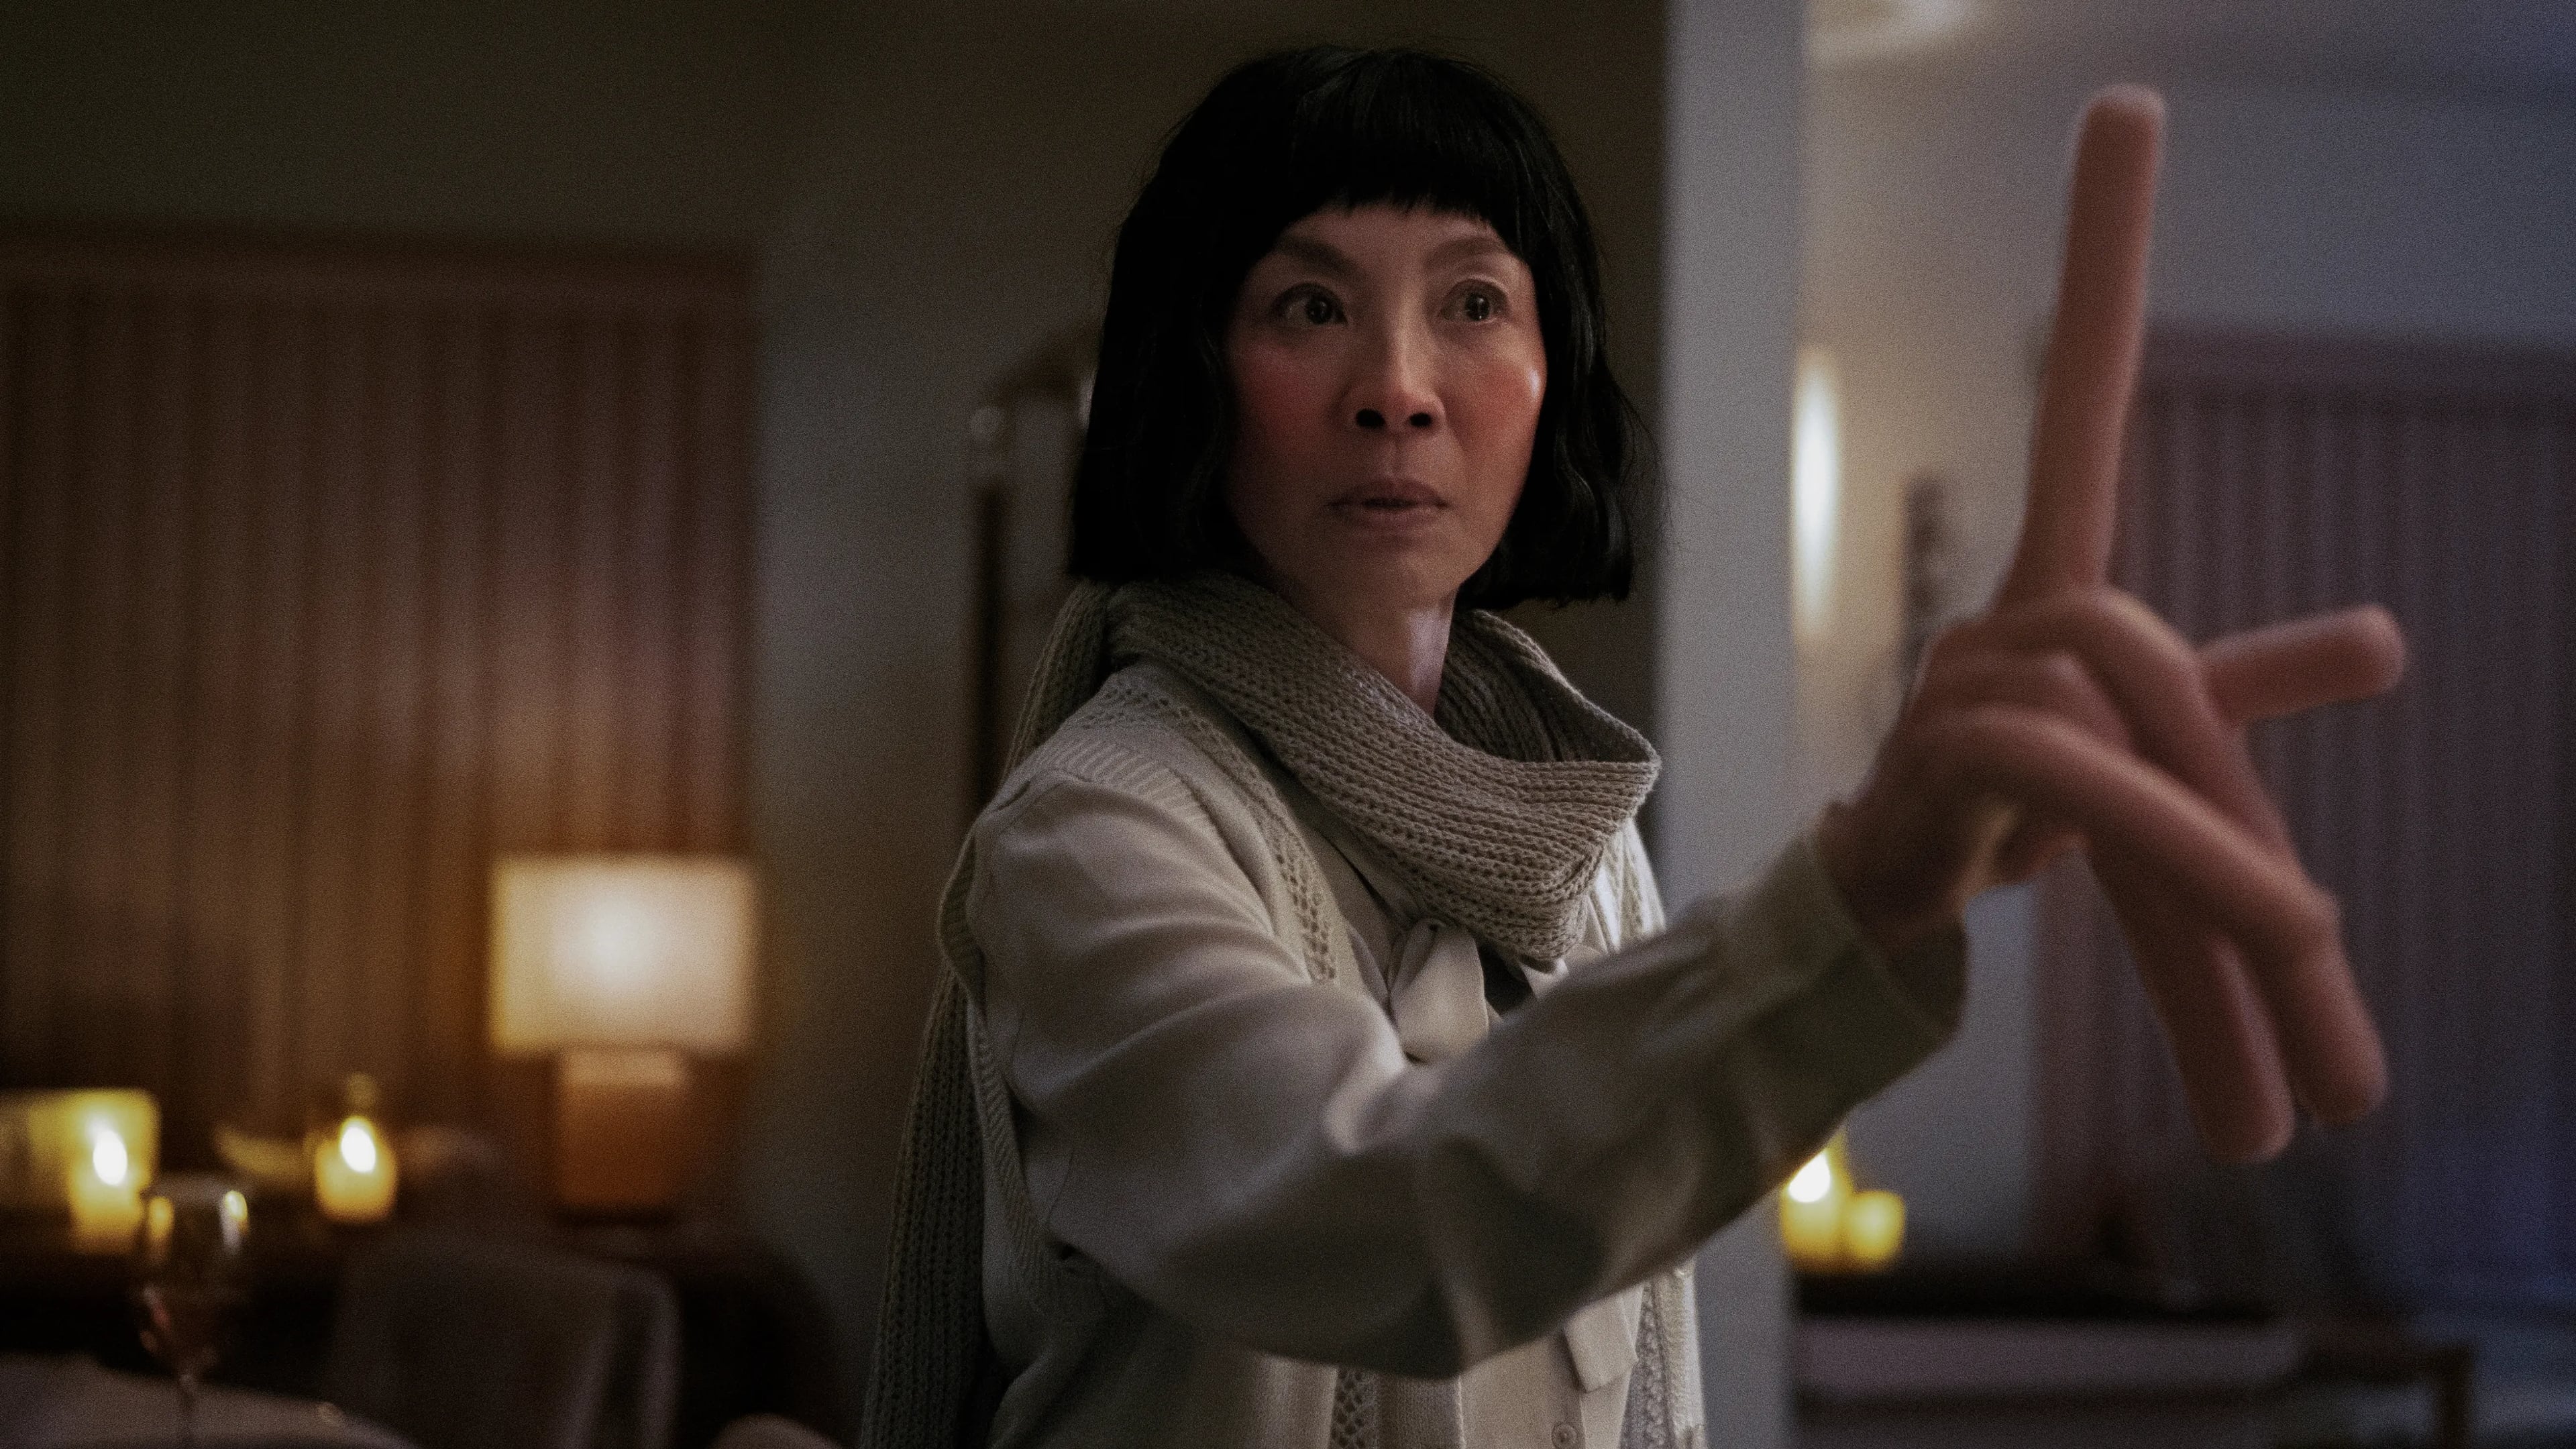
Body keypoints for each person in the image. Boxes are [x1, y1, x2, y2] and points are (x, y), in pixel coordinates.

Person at [861, 45, 2401, 1449]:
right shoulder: (1101, 831)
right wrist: (1857, 894)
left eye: (1474, 304)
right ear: (1195, 369)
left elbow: (1656, 1387)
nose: (1396, 391)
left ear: (1553, 376)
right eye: (1309, 308)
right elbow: (1387, 1220)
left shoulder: (1581, 847)